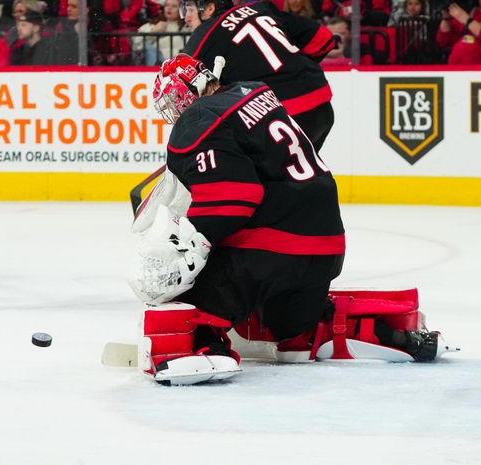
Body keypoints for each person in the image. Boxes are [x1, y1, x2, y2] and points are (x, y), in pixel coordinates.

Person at [127, 54, 451, 385]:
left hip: (273, 250)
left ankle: (205, 345)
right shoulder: (252, 91)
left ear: (190, 91)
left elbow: (234, 199)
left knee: (194, 294)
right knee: (291, 331)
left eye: (175, 100)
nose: (176, 111)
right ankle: (366, 335)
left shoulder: (199, 118)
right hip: (326, 249)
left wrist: (194, 240)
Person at [180, 0, 336, 151]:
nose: (186, 17)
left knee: (246, 172)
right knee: (305, 175)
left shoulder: (201, 40)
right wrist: (295, 72)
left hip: (280, 118)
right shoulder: (262, 8)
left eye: (190, 9)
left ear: (209, 8)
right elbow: (324, 39)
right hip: (320, 103)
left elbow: (190, 99)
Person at [133, 0, 190, 65]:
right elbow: (136, 45)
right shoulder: (153, 25)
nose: (169, 8)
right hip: (157, 66)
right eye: (167, 5)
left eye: (174, 6)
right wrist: (153, 32)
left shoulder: (187, 27)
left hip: (179, 65)